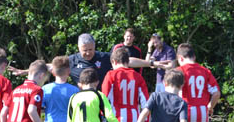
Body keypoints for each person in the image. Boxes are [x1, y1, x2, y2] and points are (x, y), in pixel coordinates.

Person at [9, 33, 168, 89]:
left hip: (102, 100)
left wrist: (152, 63)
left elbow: (128, 61)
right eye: (84, 50)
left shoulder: (104, 57)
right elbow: (51, 66)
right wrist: (25, 71)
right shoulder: (72, 60)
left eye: (90, 49)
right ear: (78, 48)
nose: (87, 53)